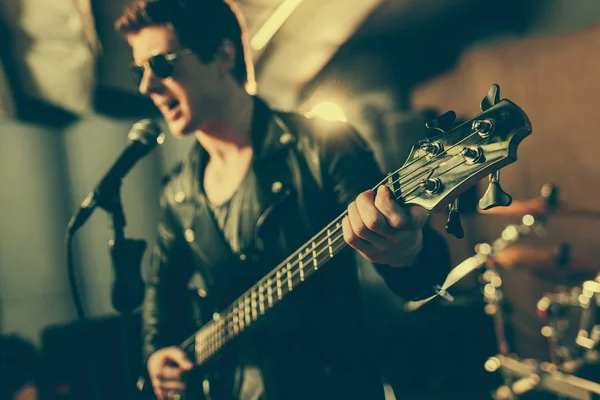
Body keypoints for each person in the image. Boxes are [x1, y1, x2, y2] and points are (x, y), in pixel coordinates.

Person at [115, 1, 451, 399]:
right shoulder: (177, 190)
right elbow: (161, 288)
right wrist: (157, 352)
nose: (146, 87)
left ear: (223, 56)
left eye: (162, 65)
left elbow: (418, 277)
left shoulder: (322, 147)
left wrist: (407, 251)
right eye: (140, 71)